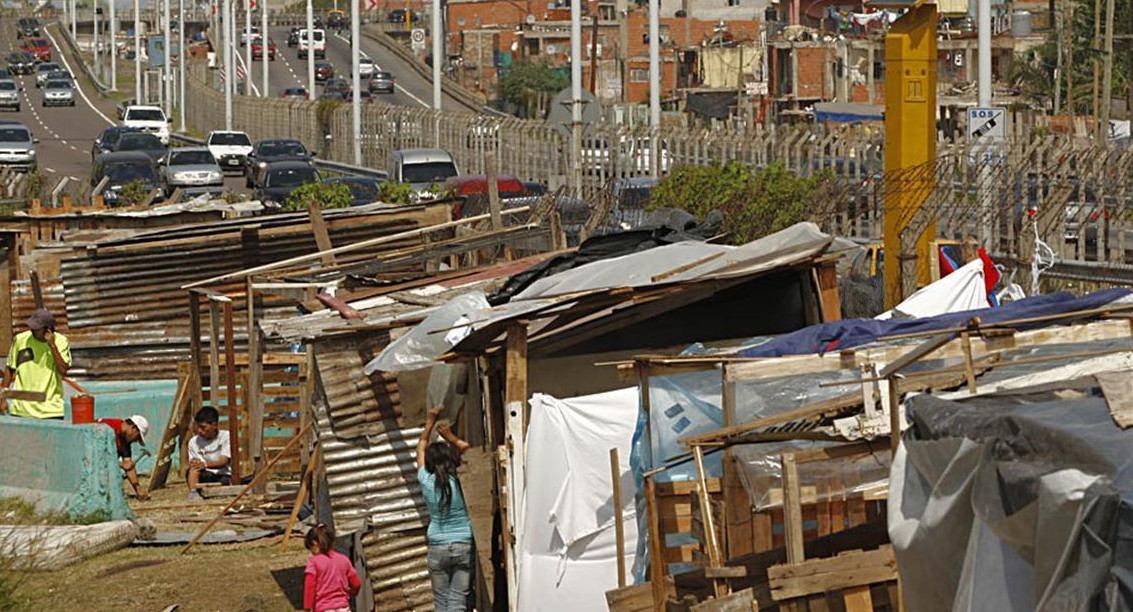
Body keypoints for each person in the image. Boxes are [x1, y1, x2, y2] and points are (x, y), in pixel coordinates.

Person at [416, 406, 474, 612]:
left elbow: (421, 448)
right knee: (458, 602)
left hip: (437, 547)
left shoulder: (426, 481)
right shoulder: (460, 480)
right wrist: (449, 436)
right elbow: (469, 451)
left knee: (441, 603)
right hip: (463, 544)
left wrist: (430, 422)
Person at [0, 308, 71, 419]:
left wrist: (52, 346)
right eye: (31, 326)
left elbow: (63, 371)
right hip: (21, 410)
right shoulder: (20, 340)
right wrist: (2, 398)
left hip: (50, 411)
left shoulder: (61, 342)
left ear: (48, 330)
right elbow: (10, 368)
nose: (32, 330)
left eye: (36, 328)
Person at [303, 523, 361, 612]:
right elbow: (356, 583)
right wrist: (353, 592)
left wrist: (307, 607)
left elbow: (309, 585)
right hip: (343, 607)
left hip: (323, 608)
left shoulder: (313, 562)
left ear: (315, 544)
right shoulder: (344, 560)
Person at [96, 415, 151, 501]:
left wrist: (138, 489)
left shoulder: (125, 440)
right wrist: (120, 464)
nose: (136, 441)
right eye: (137, 437)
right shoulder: (106, 428)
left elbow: (128, 466)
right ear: (133, 428)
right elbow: (94, 457)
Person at [186, 406, 231, 501]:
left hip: (223, 474)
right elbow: (196, 464)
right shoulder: (194, 441)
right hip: (206, 475)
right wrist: (195, 463)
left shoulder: (226, 437)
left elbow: (224, 461)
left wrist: (205, 465)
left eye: (203, 427)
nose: (199, 431)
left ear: (214, 425)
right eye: (197, 427)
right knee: (193, 470)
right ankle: (193, 493)